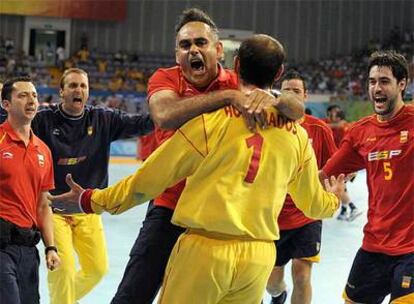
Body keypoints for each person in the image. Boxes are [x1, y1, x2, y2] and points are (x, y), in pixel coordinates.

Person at [52, 34, 344, 304]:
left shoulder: (212, 121)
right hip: (258, 257)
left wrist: (89, 200)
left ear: (236, 64)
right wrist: (334, 198)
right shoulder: (298, 136)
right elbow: (312, 204)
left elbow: (147, 181)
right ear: (279, 73)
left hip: (206, 250)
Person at [108, 8, 305, 304]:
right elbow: (164, 115)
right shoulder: (167, 79)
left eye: (200, 42)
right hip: (169, 204)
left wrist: (273, 96)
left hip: (221, 215)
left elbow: (297, 109)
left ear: (218, 50)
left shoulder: (239, 81)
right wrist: (227, 97)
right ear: (177, 55)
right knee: (134, 292)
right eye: (185, 45)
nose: (193, 50)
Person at [30, 68, 154, 304]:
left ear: (88, 92)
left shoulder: (103, 119)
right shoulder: (43, 121)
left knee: (97, 270)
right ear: (61, 92)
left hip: (87, 209)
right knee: (63, 271)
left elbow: (141, 123)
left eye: (83, 86)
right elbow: (13, 122)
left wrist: (168, 111)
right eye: (73, 86)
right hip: (53, 210)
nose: (79, 90)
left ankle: (61, 301)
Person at [320, 50, 414, 304]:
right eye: (372, 82)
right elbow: (325, 175)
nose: (376, 88)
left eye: (384, 81)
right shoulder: (361, 132)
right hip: (374, 246)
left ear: (402, 83)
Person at [266, 71, 338, 304]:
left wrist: (326, 184)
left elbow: (335, 165)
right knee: (271, 283)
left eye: (297, 91)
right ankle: (279, 295)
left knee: (302, 275)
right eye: (287, 90)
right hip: (273, 217)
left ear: (306, 95)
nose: (292, 95)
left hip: (307, 216)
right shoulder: (269, 126)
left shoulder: (319, 129)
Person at [0, 76, 61, 303]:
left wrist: (51, 247)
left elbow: (43, 205)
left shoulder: (43, 150)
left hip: (28, 250)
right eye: (23, 95)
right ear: (6, 104)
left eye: (34, 95)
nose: (31, 100)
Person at [325, 104, 361, 221]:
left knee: (341, 186)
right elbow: (324, 125)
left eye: (337, 112)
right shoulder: (326, 123)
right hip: (333, 160)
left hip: (343, 162)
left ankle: (352, 207)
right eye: (332, 112)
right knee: (342, 186)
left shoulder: (346, 127)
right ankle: (344, 210)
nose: (334, 114)